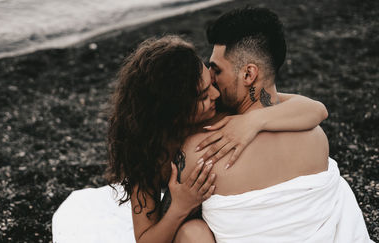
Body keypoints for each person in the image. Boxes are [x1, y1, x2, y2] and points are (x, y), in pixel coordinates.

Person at [52, 35, 328, 243]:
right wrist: (180, 207)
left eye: (210, 84)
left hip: (230, 224)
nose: (216, 96)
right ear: (171, 111)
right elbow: (145, 239)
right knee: (192, 232)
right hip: (184, 230)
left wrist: (253, 120)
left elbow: (314, 109)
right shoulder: (149, 152)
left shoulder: (221, 106)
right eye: (202, 97)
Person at [173, 7, 373, 242]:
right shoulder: (316, 136)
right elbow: (310, 107)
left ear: (248, 74)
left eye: (217, 70)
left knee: (191, 231)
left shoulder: (202, 150)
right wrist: (257, 117)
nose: (211, 79)